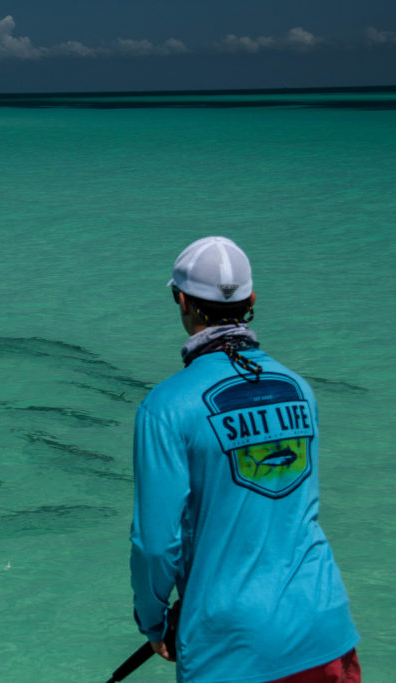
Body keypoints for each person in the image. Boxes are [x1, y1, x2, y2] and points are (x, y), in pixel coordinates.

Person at [129, 236, 360, 682]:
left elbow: (156, 545)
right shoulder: (299, 389)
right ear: (251, 300)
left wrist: (153, 622)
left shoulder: (165, 408)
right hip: (324, 627)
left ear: (182, 301)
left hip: (231, 648)